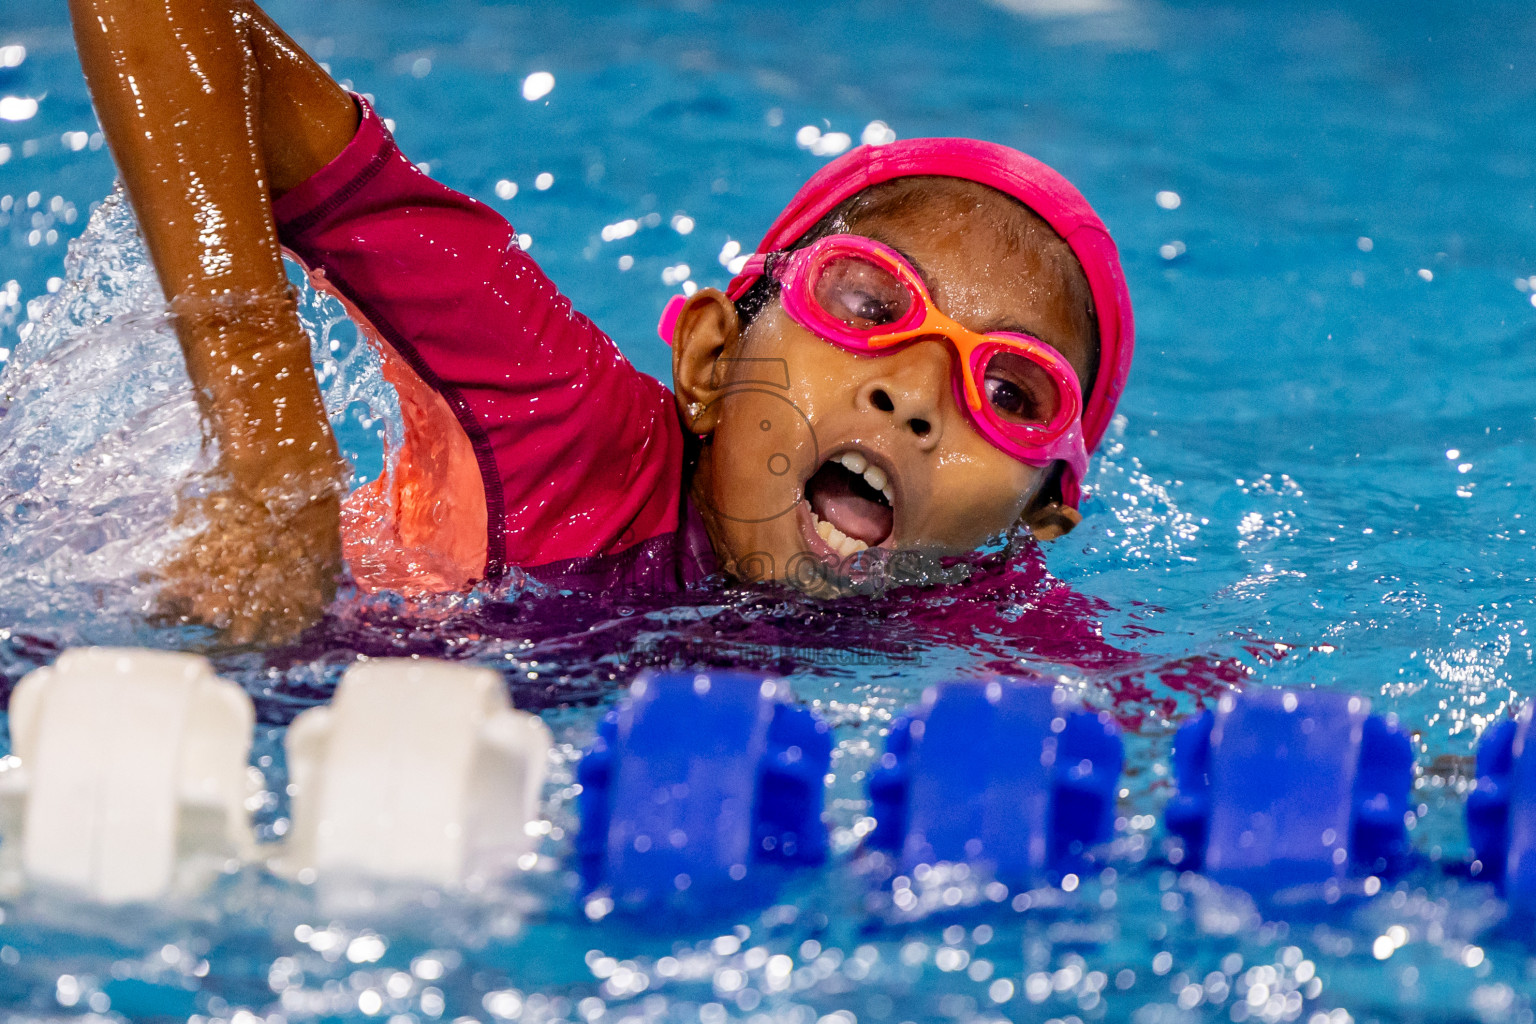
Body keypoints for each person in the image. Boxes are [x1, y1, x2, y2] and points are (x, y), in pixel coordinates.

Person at [66, 0, 1133, 644]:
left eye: (1010, 394)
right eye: (868, 303)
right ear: (712, 360)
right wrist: (271, 465)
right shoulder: (551, 410)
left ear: (1030, 520)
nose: (915, 398)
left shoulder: (979, 620)